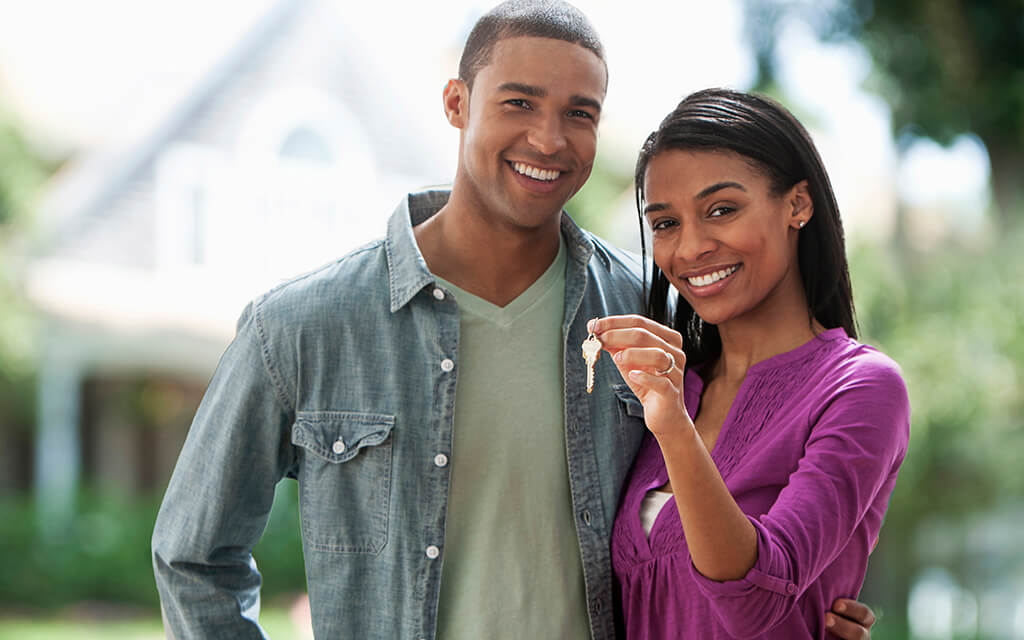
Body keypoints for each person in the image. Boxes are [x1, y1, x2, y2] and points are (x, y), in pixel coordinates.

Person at [151, 3, 879, 638]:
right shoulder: (301, 327)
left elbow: (740, 506)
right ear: (457, 102)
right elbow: (194, 555)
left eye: (580, 114)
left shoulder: (650, 310)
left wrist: (810, 611)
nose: (550, 140)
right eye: (520, 103)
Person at [589, 88, 910, 638]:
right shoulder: (676, 386)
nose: (689, 249)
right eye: (665, 223)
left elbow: (756, 597)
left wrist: (673, 427)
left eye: (721, 210)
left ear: (797, 204)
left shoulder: (860, 388)